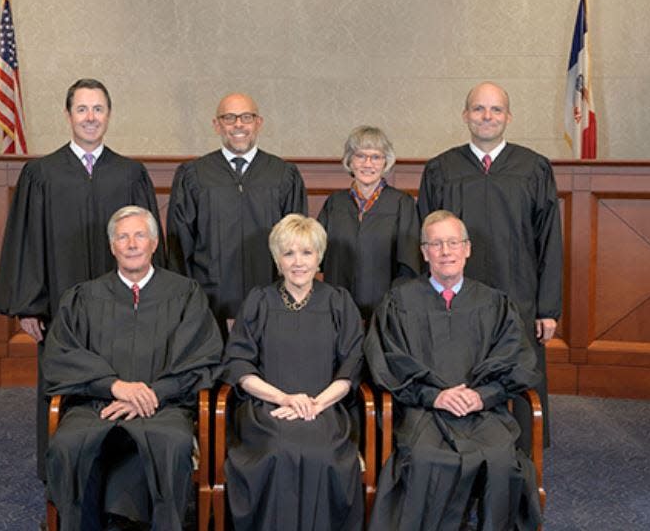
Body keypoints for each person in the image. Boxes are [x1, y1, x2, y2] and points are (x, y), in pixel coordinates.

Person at [0, 78, 166, 479]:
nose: (91, 117)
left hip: (122, 304)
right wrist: (29, 305)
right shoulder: (41, 174)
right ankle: (59, 469)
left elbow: (147, 239)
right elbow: (27, 243)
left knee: (122, 376)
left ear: (109, 115)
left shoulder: (130, 173)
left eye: (98, 109)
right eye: (82, 109)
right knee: (62, 381)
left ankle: (120, 472)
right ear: (68, 115)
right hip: (60, 303)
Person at [43, 206, 222, 531]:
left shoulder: (184, 294)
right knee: (68, 445)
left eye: (140, 235)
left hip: (163, 405)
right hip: (97, 404)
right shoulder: (85, 296)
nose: (131, 244)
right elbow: (61, 354)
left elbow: (202, 358)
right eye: (122, 237)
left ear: (154, 243)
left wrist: (151, 393)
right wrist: (115, 387)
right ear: (112, 246)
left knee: (171, 443)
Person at [364, 210, 542, 531]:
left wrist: (481, 396)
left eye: (453, 243)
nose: (446, 252)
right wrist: (435, 396)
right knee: (424, 459)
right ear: (424, 252)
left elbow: (519, 360)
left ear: (467, 248)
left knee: (503, 461)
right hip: (424, 412)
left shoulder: (495, 303)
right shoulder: (399, 302)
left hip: (483, 412)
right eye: (436, 244)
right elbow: (388, 362)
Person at [417, 81, 562, 445]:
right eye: (479, 109)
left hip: (519, 295)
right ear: (466, 115)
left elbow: (549, 241)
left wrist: (548, 309)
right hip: (455, 297)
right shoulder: (441, 168)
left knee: (517, 372)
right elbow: (426, 240)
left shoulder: (534, 168)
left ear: (508, 117)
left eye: (496, 109)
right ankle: (457, 446)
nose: (487, 116)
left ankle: (524, 453)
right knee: (460, 369)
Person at [222, 214, 365, 530]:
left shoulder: (339, 302)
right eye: (288, 253)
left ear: (319, 257)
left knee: (323, 454)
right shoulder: (259, 300)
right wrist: (284, 398)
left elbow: (351, 366)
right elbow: (239, 364)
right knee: (277, 450)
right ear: (277, 259)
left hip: (325, 408)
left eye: (306, 253)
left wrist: (315, 404)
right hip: (266, 409)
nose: (298, 262)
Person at [166, 93, 307, 333]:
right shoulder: (194, 175)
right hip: (210, 301)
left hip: (271, 298)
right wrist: (186, 299)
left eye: (246, 117)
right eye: (229, 118)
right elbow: (180, 244)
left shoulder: (283, 174)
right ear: (217, 125)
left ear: (258, 123)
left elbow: (297, 243)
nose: (238, 125)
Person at [318, 125, 419, 321]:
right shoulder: (334, 203)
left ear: (385, 163)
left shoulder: (402, 204)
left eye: (376, 157)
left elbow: (409, 264)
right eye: (360, 156)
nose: (368, 163)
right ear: (350, 161)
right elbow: (317, 255)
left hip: (385, 312)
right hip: (337, 308)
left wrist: (392, 308)